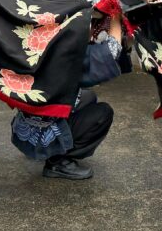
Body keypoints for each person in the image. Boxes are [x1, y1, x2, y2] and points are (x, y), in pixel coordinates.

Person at [11, 12, 126, 180]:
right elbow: (112, 50)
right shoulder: (70, 58)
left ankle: (40, 150)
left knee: (88, 96)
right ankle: (57, 162)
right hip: (42, 133)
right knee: (103, 113)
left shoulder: (37, 46)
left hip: (24, 133)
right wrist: (116, 16)